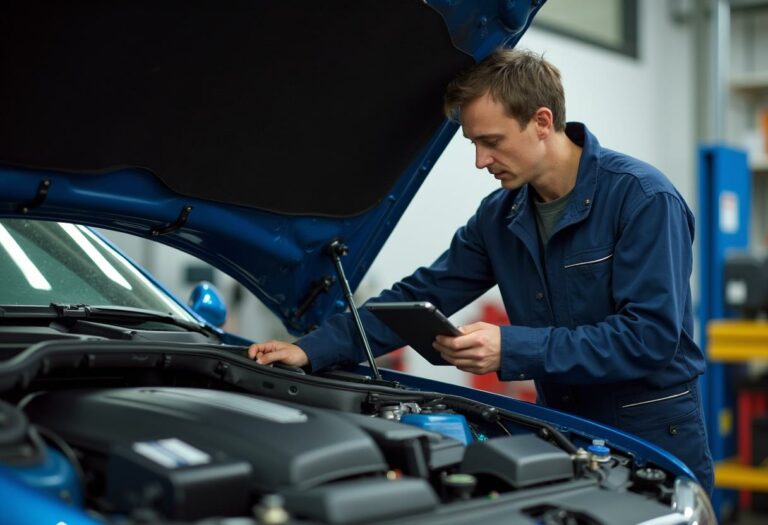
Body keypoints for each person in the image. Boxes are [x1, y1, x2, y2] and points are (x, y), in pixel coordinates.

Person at [248, 49, 714, 494]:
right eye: (474, 143)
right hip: (565, 426)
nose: (480, 161)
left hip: (651, 431)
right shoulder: (499, 216)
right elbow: (420, 292)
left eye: (492, 142)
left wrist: (511, 346)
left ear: (542, 122)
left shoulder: (643, 199)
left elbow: (649, 337)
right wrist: (310, 349)